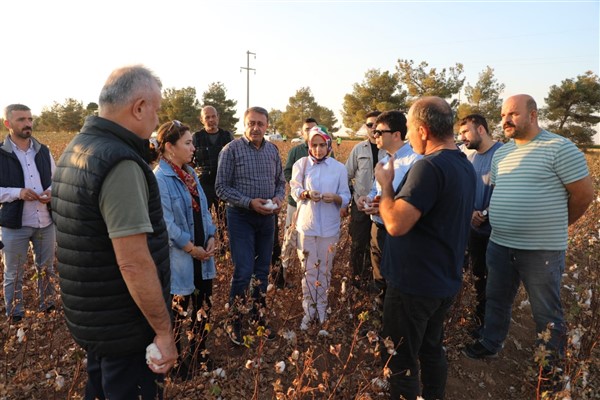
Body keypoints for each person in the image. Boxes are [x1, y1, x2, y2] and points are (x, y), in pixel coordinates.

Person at [51, 65, 177, 399]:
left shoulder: (77, 148)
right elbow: (133, 263)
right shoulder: (120, 164)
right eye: (156, 109)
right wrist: (164, 332)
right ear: (138, 107)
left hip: (96, 320)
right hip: (125, 328)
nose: (156, 119)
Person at [463, 95, 594, 368]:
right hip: (499, 244)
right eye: (502, 116)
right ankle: (490, 343)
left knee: (546, 311)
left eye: (513, 114)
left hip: (541, 249)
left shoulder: (560, 148)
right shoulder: (503, 153)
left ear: (533, 115)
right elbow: (501, 192)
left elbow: (583, 196)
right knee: (496, 298)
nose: (506, 120)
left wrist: (554, 225)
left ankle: (551, 366)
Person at [375, 97, 475, 400]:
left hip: (413, 285)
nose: (409, 136)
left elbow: (395, 224)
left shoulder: (428, 168)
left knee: (400, 356)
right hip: (442, 280)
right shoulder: (462, 164)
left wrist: (386, 185)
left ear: (423, 130)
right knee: (432, 348)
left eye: (410, 129)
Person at [151, 120, 217, 379]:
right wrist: (192, 249)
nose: (193, 148)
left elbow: (205, 211)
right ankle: (176, 362)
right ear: (169, 147)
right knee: (179, 311)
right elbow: (165, 224)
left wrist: (210, 236)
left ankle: (200, 354)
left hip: (203, 255)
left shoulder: (190, 174)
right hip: (181, 258)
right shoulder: (160, 179)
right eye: (187, 143)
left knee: (204, 306)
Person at [215, 106, 286, 345]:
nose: (256, 128)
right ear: (244, 125)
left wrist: (277, 199)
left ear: (267, 126)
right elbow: (221, 188)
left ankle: (258, 316)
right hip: (241, 217)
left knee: (262, 271)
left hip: (267, 217)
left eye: (261, 124)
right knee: (244, 270)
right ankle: (233, 319)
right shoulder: (231, 150)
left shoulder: (272, 151)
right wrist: (248, 202)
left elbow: (280, 182)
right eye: (251, 123)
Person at [357, 110, 421, 330]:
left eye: (379, 131)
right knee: (379, 278)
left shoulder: (416, 161)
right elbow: (378, 191)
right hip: (378, 228)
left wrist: (385, 205)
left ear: (396, 134)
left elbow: (410, 203)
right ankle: (381, 322)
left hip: (399, 234)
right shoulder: (384, 161)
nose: (374, 135)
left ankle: (394, 330)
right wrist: (367, 200)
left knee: (397, 282)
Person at [290, 126, 350, 329]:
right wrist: (306, 194)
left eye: (322, 145)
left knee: (324, 270)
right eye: (314, 145)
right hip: (307, 226)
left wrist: (335, 198)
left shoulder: (338, 168)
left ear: (328, 145)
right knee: (308, 271)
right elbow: (294, 189)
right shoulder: (301, 164)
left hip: (330, 228)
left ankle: (322, 309)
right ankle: (309, 310)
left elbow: (346, 196)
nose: (317, 149)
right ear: (309, 146)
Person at [1, 104, 56, 323]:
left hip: (45, 220)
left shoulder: (43, 151)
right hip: (15, 225)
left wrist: (51, 192)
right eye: (21, 119)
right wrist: (18, 193)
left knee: (47, 268)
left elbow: (56, 180)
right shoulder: (1, 154)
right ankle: (15, 314)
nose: (27, 124)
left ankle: (48, 308)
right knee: (13, 272)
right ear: (8, 124)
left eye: (30, 119)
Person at [457, 114, 502, 334]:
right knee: (478, 275)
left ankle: (490, 327)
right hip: (472, 228)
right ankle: (480, 318)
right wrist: (470, 212)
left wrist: (484, 212)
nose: (462, 137)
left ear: (481, 130)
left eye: (465, 131)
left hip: (496, 232)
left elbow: (508, 191)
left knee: (495, 281)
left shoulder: (502, 154)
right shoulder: (469, 156)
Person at [345, 111, 385, 289]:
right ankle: (356, 281)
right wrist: (351, 197)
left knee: (377, 246)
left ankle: (373, 281)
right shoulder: (358, 149)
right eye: (370, 124)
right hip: (360, 206)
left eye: (377, 124)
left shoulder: (390, 149)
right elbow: (346, 175)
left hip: (381, 208)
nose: (373, 128)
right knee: (357, 244)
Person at [281, 118, 319, 283]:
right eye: (307, 129)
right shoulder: (296, 152)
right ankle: (285, 273)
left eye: (313, 129)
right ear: (303, 133)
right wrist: (300, 187)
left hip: (316, 205)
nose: (310, 132)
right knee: (290, 237)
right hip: (295, 203)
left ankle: (310, 275)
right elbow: (287, 172)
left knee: (312, 239)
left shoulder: (324, 149)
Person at [192, 106, 234, 211]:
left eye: (213, 116)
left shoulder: (227, 137)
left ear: (218, 117)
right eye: (207, 117)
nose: (211, 120)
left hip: (224, 185)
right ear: (202, 120)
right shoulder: (196, 138)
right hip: (203, 185)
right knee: (204, 218)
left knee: (225, 219)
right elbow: (188, 162)